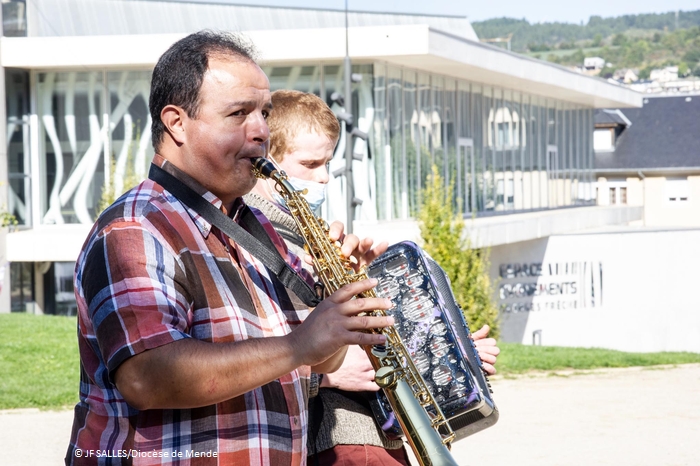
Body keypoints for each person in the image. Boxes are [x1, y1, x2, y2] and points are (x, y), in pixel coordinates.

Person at [65, 31, 395, 466]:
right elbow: (147, 376)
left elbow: (322, 357)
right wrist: (300, 344)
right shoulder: (134, 228)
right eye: (239, 113)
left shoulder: (253, 224)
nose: (260, 131)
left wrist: (341, 301)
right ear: (177, 123)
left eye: (263, 112)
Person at [245, 90, 501, 466]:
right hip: (335, 437)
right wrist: (326, 377)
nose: (324, 178)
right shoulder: (251, 239)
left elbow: (373, 340)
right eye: (310, 163)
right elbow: (244, 354)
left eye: (328, 163)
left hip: (374, 434)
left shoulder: (312, 235)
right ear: (266, 161)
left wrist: (447, 350)